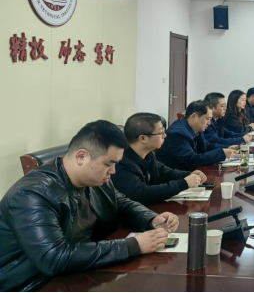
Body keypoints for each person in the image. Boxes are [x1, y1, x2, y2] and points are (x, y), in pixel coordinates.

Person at [0, 121, 179, 292]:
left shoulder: (95, 178)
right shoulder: (32, 194)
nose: (113, 171)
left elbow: (121, 202)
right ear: (81, 157)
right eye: (108, 164)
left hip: (81, 269)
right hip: (37, 283)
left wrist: (151, 218)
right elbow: (54, 257)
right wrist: (133, 245)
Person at [111, 113, 208, 206]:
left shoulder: (148, 154)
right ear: (143, 138)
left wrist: (189, 175)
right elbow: (142, 193)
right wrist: (183, 183)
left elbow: (164, 172)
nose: (165, 135)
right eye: (161, 133)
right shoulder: (120, 162)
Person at [157, 101, 237, 170]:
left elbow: (207, 146)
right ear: (194, 117)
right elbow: (192, 160)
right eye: (207, 119)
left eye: (210, 119)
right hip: (177, 176)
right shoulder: (177, 134)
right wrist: (221, 153)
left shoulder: (195, 127)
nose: (209, 123)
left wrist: (227, 148)